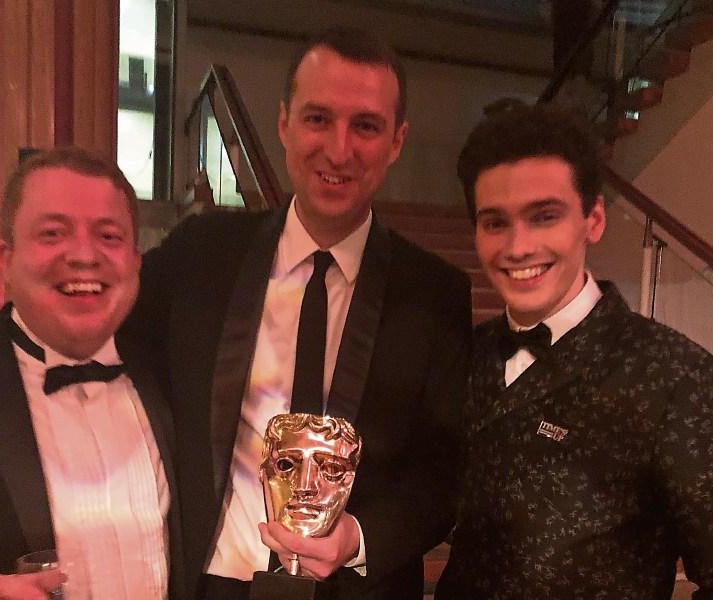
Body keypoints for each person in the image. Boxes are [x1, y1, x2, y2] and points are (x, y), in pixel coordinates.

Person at [122, 26, 472, 600]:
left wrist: (359, 537)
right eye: (318, 119)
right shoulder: (198, 254)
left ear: (397, 141)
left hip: (358, 589)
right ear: (284, 123)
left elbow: (444, 473)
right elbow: (102, 346)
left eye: (365, 125)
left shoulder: (434, 294)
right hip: (211, 586)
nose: (339, 149)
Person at [435, 103, 713, 598]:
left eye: (544, 216)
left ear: (593, 220)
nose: (518, 246)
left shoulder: (677, 378)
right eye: (495, 223)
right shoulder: (466, 354)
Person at [0, 148, 185, 600]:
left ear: (136, 261)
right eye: (52, 233)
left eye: (108, 236)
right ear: (5, 259)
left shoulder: (175, 371)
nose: (84, 256)